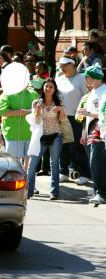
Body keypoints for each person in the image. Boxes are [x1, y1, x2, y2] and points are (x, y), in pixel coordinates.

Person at [27, 78, 67, 200]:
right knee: (32, 164)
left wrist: (61, 110)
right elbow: (35, 121)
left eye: (51, 87)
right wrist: (38, 111)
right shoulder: (36, 102)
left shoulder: (58, 102)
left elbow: (63, 120)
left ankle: (54, 192)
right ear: (43, 88)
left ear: (54, 89)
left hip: (56, 135)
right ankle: (29, 192)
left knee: (54, 164)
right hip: (40, 136)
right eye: (46, 86)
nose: (48, 89)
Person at [56, 55, 91, 185]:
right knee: (63, 145)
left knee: (77, 146)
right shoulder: (59, 78)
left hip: (76, 117)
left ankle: (84, 173)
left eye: (65, 65)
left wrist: (84, 115)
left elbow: (87, 97)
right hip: (61, 116)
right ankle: (63, 171)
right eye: (61, 65)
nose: (62, 68)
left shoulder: (81, 78)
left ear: (73, 64)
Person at [77, 64, 106, 204]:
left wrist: (88, 114)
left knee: (97, 162)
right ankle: (97, 191)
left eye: (88, 77)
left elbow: (103, 114)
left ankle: (101, 192)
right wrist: (84, 132)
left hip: (100, 130)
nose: (86, 80)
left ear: (95, 78)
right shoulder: (93, 92)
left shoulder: (104, 91)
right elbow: (86, 116)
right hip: (90, 129)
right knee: (93, 162)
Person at [0, 82, 39, 172]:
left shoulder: (33, 93)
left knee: (29, 160)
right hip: (13, 134)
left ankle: (27, 178)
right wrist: (20, 112)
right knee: (13, 162)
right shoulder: (7, 94)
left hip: (31, 133)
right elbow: (2, 112)